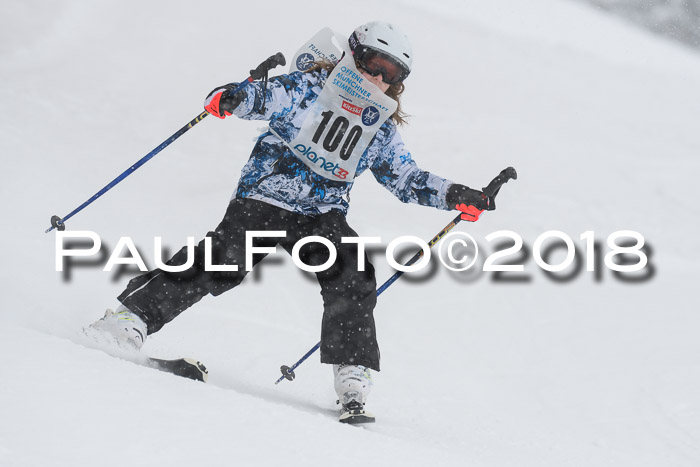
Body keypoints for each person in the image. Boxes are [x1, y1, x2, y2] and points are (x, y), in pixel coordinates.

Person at [88, 21, 492, 424]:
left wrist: (457, 195)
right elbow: (261, 96)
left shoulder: (378, 127)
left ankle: (353, 372)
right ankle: (130, 319)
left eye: (390, 74)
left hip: (320, 213)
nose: (376, 77)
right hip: (265, 195)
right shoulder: (306, 89)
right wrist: (232, 98)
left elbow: (404, 178)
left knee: (351, 272)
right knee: (225, 259)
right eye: (371, 63)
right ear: (352, 55)